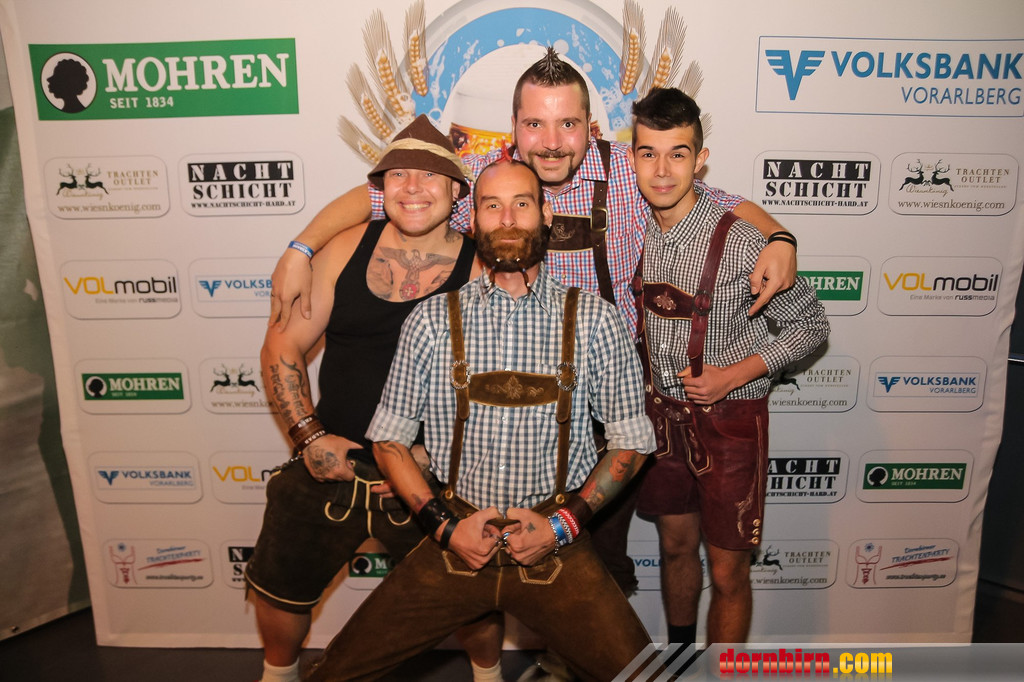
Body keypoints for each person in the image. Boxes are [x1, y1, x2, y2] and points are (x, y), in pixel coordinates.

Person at [268, 47, 799, 604]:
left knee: (598, 566)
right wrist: (301, 248)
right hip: (513, 403)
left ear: (590, 126)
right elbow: (382, 195)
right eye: (534, 124)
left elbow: (715, 200)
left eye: (567, 124)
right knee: (499, 560)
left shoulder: (630, 169)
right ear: (513, 128)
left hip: (608, 400)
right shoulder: (484, 176)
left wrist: (779, 237)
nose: (551, 142)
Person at [304, 159, 657, 682]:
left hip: (555, 545)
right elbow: (389, 441)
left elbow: (632, 441)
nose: (507, 219)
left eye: (522, 204)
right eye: (492, 206)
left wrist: (562, 525)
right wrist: (444, 528)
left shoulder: (595, 319)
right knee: (334, 674)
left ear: (546, 215)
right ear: (472, 220)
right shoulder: (431, 319)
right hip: (457, 539)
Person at [245, 115, 502, 682]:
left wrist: (438, 457)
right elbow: (283, 344)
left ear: (456, 190)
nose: (413, 187)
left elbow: (497, 383)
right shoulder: (344, 248)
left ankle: (489, 676)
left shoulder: (482, 268)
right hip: (331, 458)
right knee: (280, 586)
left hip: (433, 474)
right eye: (399, 174)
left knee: (475, 597)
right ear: (380, 187)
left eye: (430, 176)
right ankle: (277, 675)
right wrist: (308, 438)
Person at [627, 88, 829, 648]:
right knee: (674, 548)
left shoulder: (742, 241)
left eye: (677, 154)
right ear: (633, 157)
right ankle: (680, 660)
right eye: (648, 153)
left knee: (727, 572)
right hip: (662, 421)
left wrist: (732, 375)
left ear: (701, 159)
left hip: (730, 423)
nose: (662, 170)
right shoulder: (634, 226)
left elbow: (812, 327)